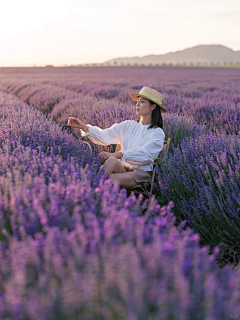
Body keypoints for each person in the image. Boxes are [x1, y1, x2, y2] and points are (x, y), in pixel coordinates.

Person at [67, 86, 167, 189]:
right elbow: (104, 136)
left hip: (141, 173)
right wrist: (82, 126)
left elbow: (145, 154)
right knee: (111, 161)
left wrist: (117, 154)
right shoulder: (128, 125)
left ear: (153, 107)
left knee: (109, 179)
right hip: (124, 168)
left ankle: (86, 192)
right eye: (137, 101)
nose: (137, 104)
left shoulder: (157, 133)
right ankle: (86, 190)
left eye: (142, 102)